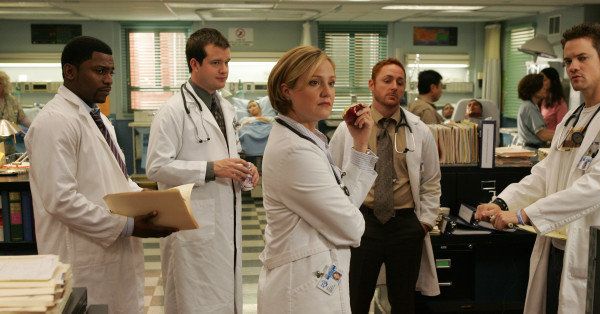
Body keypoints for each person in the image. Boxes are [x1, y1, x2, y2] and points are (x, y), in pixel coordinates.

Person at [475, 22, 600, 314]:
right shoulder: (571, 119)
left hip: (591, 250)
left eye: (582, 58)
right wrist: (502, 202)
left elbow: (594, 187)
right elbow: (544, 174)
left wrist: (522, 215)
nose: (573, 67)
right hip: (555, 247)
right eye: (569, 61)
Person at [25, 36, 175, 313]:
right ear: (70, 72)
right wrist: (128, 226)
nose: (108, 80)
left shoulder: (99, 118)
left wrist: (147, 197)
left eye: (111, 72)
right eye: (99, 71)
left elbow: (116, 175)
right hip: (82, 256)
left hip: (112, 253)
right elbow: (60, 199)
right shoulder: (54, 123)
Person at [146, 28, 259, 313]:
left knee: (224, 299)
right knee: (194, 302)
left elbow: (228, 157)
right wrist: (210, 169)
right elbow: (156, 167)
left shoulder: (226, 107)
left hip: (226, 225)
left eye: (227, 62)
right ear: (194, 64)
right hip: (192, 228)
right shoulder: (172, 111)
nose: (224, 70)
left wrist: (245, 170)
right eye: (216, 63)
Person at [257, 46, 377, 313]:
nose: (327, 92)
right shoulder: (294, 151)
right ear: (286, 91)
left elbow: (345, 203)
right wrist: (347, 215)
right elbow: (352, 226)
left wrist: (359, 145)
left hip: (316, 278)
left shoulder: (308, 140)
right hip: (301, 288)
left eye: (331, 83)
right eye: (314, 82)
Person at [330, 58, 441, 313]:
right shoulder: (348, 129)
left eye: (400, 82)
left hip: (405, 225)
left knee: (403, 301)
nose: (394, 87)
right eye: (387, 80)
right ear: (371, 84)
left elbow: (431, 180)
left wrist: (424, 223)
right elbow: (333, 174)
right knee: (355, 298)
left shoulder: (419, 130)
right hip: (363, 223)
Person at [516, 73, 554, 148]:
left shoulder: (531, 105)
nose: (545, 88)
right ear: (533, 89)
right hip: (532, 152)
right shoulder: (529, 107)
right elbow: (543, 135)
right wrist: (564, 135)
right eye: (541, 86)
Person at [0, 70, 31, 154]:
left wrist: (34, 126)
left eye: (0, 83)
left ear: (4, 85)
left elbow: (22, 118)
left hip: (9, 143)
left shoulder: (12, 100)